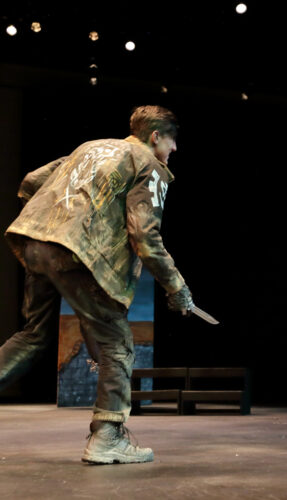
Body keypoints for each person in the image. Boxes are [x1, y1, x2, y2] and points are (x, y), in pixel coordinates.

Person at [0, 105, 194, 463]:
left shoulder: (89, 146)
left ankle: (108, 436)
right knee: (116, 345)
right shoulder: (149, 164)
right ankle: (108, 437)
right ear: (155, 136)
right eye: (172, 140)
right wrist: (177, 287)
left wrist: (57, 219)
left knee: (33, 335)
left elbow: (29, 182)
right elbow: (145, 237)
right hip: (76, 252)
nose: (174, 149)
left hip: (34, 241)